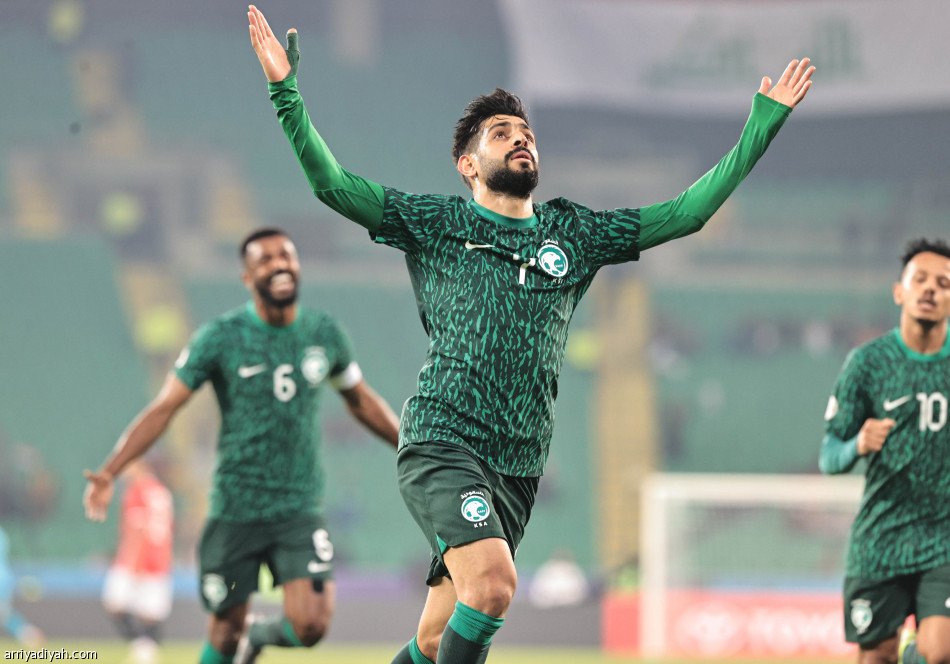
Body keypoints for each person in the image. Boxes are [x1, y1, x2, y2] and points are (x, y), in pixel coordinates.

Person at [247, 6, 814, 662]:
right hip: (443, 440)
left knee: (435, 639)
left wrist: (761, 124)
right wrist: (285, 92)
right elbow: (332, 184)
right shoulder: (435, 223)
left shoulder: (575, 233)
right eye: (501, 133)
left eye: (526, 133)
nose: (520, 140)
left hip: (517, 466)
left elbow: (686, 213)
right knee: (492, 587)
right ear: (467, 164)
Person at [83, 227, 401, 664]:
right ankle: (240, 636)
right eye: (265, 260)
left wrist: (410, 446)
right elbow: (165, 408)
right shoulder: (221, 337)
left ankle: (260, 634)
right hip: (236, 509)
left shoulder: (323, 333)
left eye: (286, 256)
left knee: (311, 624)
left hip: (298, 507)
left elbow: (360, 399)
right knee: (224, 630)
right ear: (247, 278)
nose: (280, 265)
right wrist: (112, 469)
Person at [819, 238, 950, 664]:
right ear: (900, 291)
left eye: (944, 283)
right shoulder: (868, 364)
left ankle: (918, 655)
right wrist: (858, 443)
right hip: (881, 540)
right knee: (877, 656)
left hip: (943, 538)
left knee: (941, 651)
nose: (930, 289)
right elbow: (829, 455)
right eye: (920, 279)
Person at [101, 458, 174, 664]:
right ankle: (145, 648)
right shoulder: (161, 491)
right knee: (150, 613)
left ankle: (142, 647)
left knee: (115, 602)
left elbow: (138, 531)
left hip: (138, 560)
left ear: (140, 466)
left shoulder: (137, 491)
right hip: (160, 560)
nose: (125, 472)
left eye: (128, 466)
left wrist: (135, 563)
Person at [0, 525, 44, 648]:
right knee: (4, 614)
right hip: (4, 577)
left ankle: (27, 633)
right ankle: (27, 633)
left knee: (4, 614)